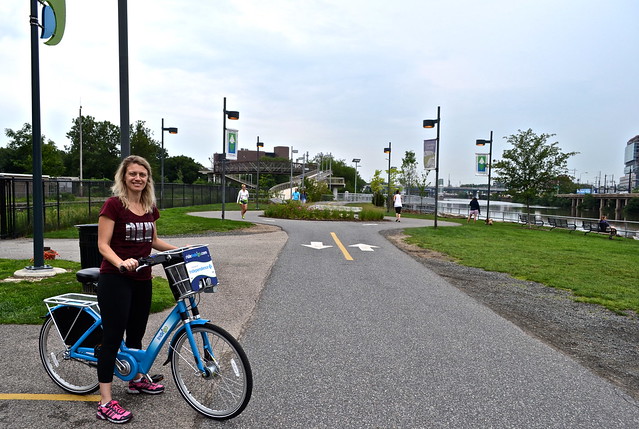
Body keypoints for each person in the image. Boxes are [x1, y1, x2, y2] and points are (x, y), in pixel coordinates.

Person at [96, 155, 177, 424]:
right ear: (124, 177)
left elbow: (153, 240)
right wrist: (121, 263)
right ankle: (105, 401)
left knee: (137, 333)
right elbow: (103, 245)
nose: (138, 178)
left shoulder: (149, 206)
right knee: (112, 338)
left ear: (148, 178)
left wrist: (181, 251)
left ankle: (135, 380)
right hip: (116, 278)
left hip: (142, 279)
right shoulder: (114, 206)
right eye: (133, 174)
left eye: (142, 174)